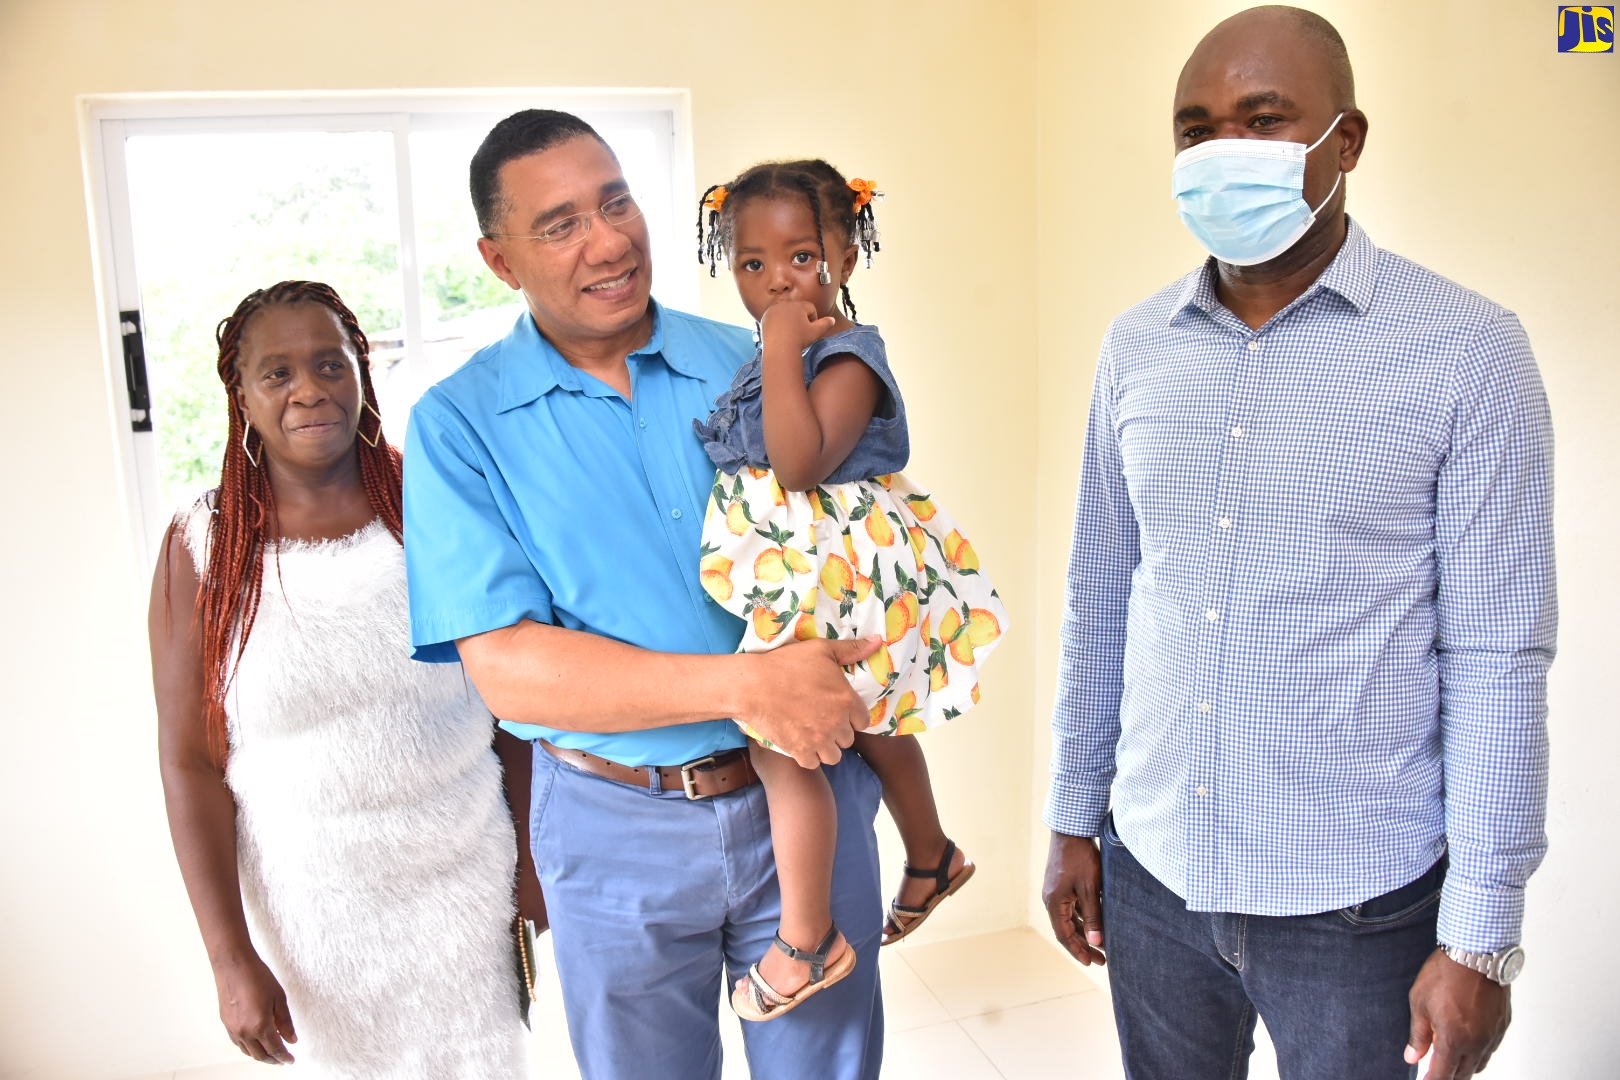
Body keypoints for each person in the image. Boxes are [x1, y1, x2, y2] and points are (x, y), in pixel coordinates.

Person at [1041, 8, 1555, 1080]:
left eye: (1264, 120)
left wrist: (1481, 937)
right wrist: (1073, 817)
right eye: (1197, 130)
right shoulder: (1135, 348)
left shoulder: (1467, 351)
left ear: (1345, 140)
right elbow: (1103, 597)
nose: (1223, 150)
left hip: (1358, 908)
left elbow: (1498, 655)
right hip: (1154, 875)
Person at [402, 111, 889, 1079]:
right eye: (562, 225)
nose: (609, 241)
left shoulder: (759, 361)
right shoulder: (458, 425)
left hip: (806, 801)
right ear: (500, 261)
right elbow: (510, 671)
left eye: (616, 202)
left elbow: (859, 547)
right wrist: (745, 687)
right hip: (612, 827)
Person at [148, 281, 531, 1076]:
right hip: (313, 916)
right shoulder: (204, 544)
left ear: (361, 370)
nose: (309, 390)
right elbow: (189, 762)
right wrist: (229, 958)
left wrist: (530, 875)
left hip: (463, 886)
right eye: (277, 373)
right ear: (240, 394)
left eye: (330, 364)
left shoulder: (435, 506)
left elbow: (517, 702)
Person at [691, 160, 1003, 1020]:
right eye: (752, 263)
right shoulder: (790, 355)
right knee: (865, 721)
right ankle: (932, 854)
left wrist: (777, 347)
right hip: (829, 565)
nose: (776, 281)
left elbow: (797, 463)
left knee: (783, 739)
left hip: (841, 572)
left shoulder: (849, 357)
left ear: (846, 258)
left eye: (801, 257)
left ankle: (806, 941)